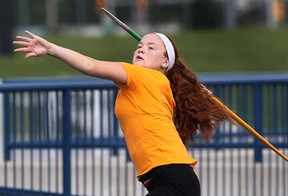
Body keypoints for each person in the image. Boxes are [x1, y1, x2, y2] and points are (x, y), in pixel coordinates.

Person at [13, 31, 231, 196]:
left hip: (172, 179)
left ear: (165, 62)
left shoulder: (142, 76)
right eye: (139, 45)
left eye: (151, 47)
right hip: (170, 179)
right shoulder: (158, 84)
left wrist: (51, 48)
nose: (141, 49)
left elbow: (90, 65)